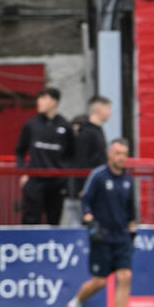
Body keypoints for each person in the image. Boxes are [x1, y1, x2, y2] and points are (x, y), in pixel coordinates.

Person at [63, 139, 137, 307]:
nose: (122, 157)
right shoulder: (98, 176)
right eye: (118, 153)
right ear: (110, 154)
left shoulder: (129, 180)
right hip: (102, 236)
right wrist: (88, 216)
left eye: (125, 153)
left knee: (125, 276)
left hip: (122, 237)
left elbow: (131, 211)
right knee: (99, 281)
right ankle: (74, 306)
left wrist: (132, 230)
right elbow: (85, 200)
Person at [15, 87, 75, 225]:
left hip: (56, 182)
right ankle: (29, 245)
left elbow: (71, 154)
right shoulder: (31, 125)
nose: (39, 102)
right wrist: (23, 173)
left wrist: (65, 176)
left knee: (54, 220)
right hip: (35, 181)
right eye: (39, 98)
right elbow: (20, 151)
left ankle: (52, 245)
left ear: (54, 101)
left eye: (43, 98)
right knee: (31, 220)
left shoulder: (65, 126)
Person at [63, 95, 111, 226]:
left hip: (92, 188)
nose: (110, 112)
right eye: (108, 108)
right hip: (85, 190)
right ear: (99, 109)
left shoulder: (95, 131)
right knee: (82, 227)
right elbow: (81, 161)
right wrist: (83, 186)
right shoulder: (87, 133)